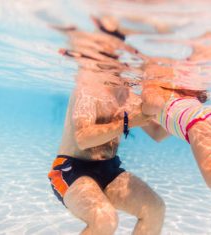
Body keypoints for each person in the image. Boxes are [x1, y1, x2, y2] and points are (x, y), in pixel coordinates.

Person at [48, 70, 166, 235]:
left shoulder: (129, 98)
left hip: (109, 169)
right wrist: (128, 122)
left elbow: (158, 133)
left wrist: (182, 108)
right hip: (72, 170)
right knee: (104, 219)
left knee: (154, 208)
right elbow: (83, 139)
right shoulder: (88, 88)